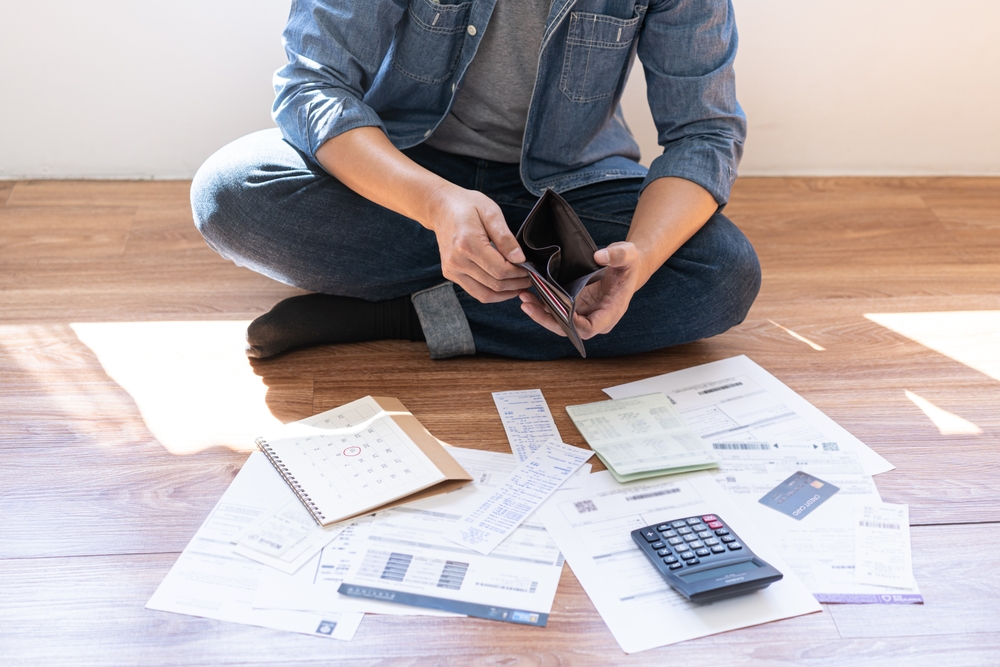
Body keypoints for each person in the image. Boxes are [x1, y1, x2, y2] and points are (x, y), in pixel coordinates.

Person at [191, 0, 760, 361]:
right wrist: (438, 206)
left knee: (722, 274)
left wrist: (641, 259)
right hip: (410, 167)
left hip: (573, 184)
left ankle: (398, 315)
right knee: (231, 192)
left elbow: (703, 134)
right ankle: (505, 277)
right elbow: (313, 87)